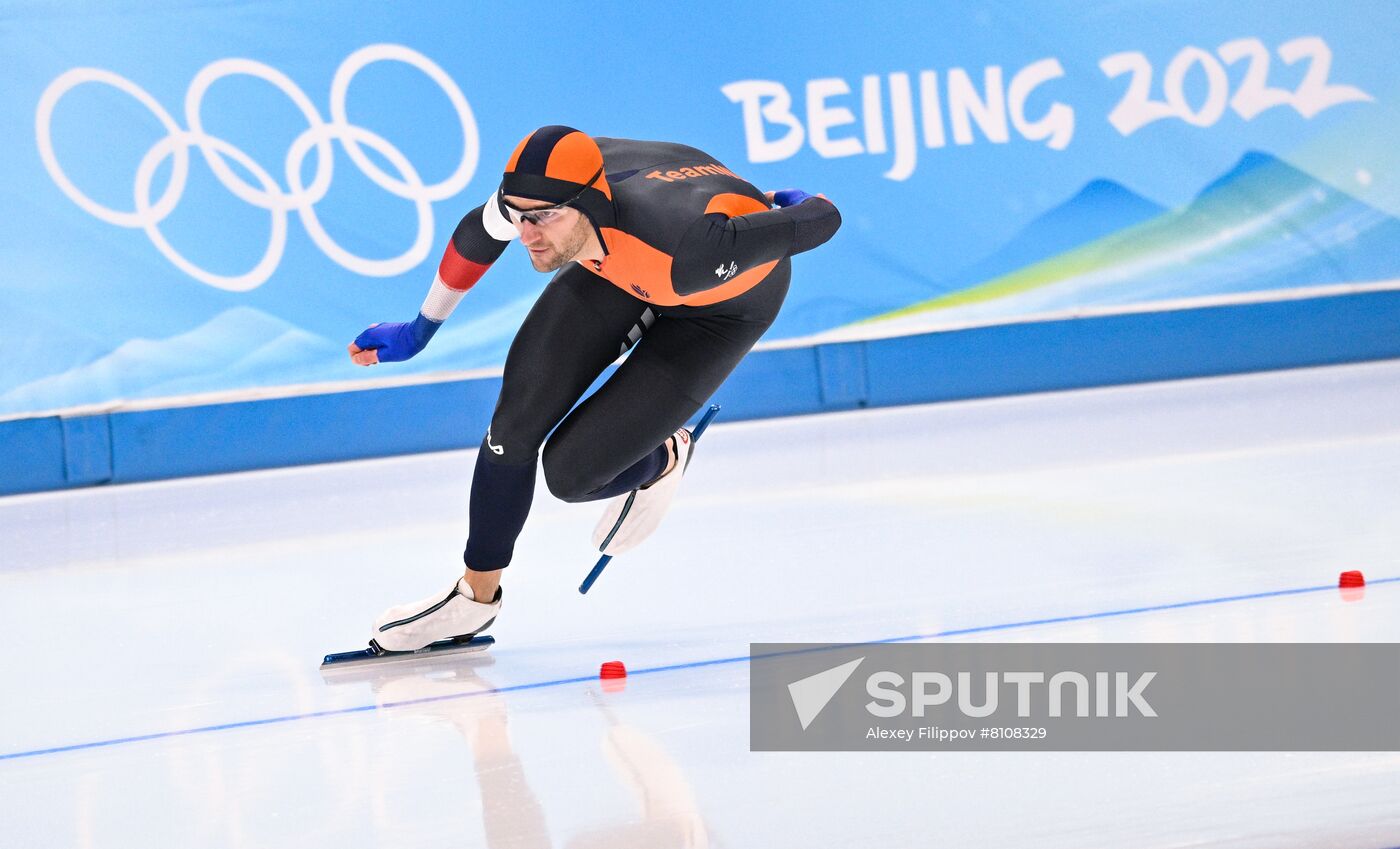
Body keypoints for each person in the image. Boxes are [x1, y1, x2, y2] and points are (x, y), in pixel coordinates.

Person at [348, 125, 840, 652]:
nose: (527, 235)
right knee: (512, 428)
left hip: (716, 308)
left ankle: (665, 459)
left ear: (592, 203)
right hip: (614, 265)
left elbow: (821, 220)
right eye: (519, 217)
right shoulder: (545, 190)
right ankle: (472, 600)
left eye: (544, 218)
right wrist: (418, 331)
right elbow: (478, 234)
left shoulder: (690, 247)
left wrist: (794, 202)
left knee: (572, 475)